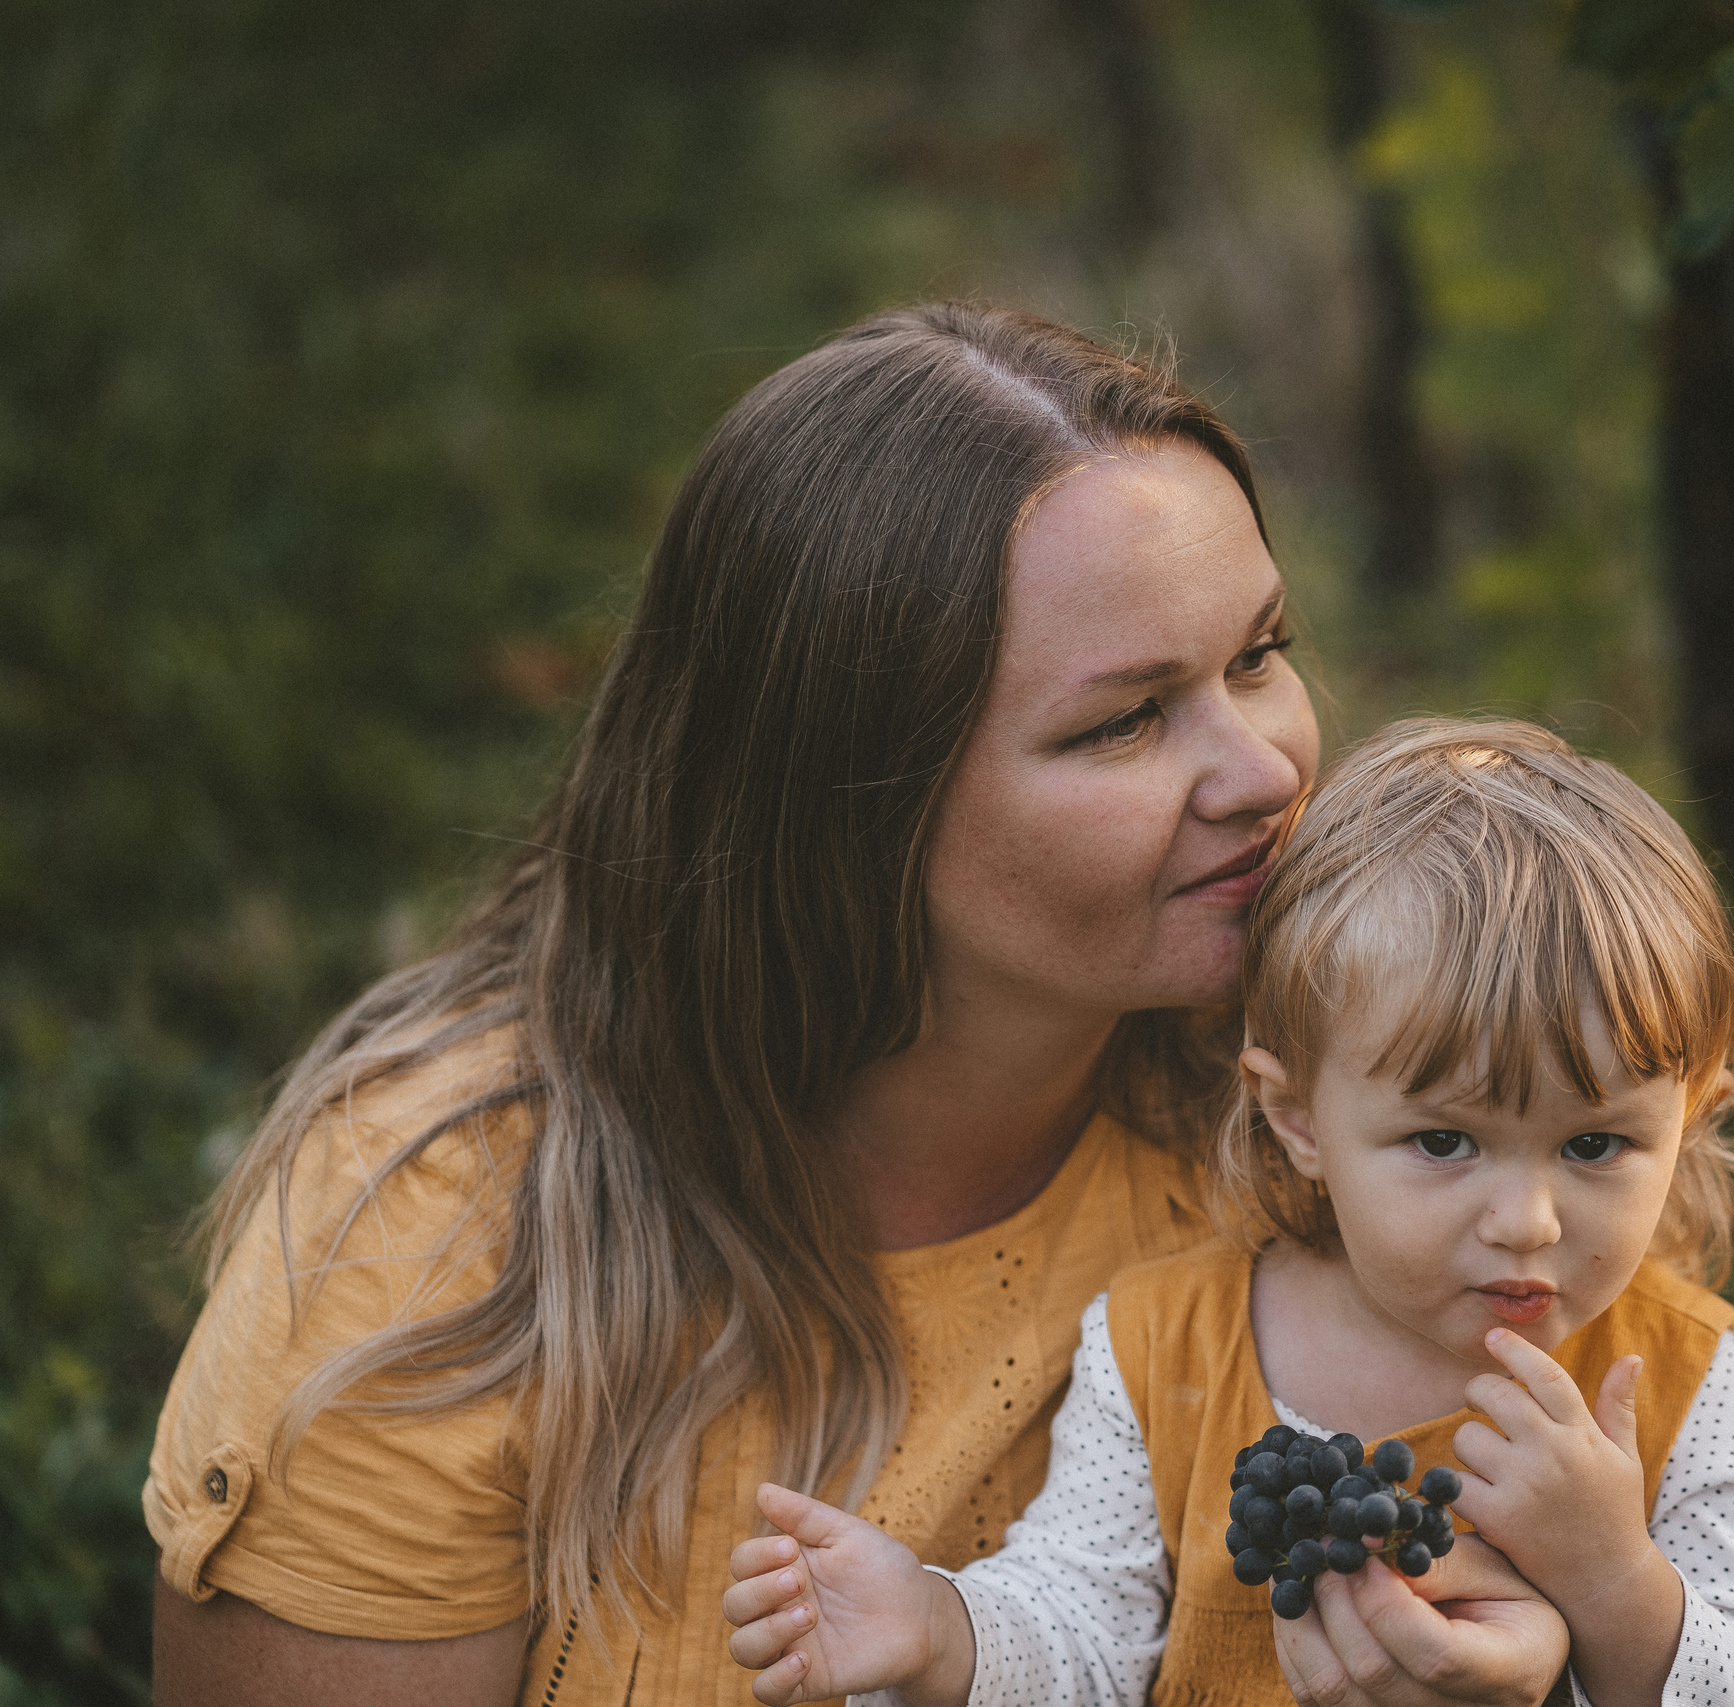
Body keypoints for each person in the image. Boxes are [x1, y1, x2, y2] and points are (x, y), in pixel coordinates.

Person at [144, 306, 1576, 1707]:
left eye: (1258, 654)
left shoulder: (1378, 1120)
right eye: (1124, 720)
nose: (1265, 766)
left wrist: (1581, 1659)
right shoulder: (442, 1240)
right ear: (846, 800)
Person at [722, 718, 1734, 1707]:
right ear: (1297, 1116)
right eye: (1443, 1141)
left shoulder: (1677, 1382)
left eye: (1595, 1144)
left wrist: (1613, 1585)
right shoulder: (1165, 1348)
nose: (1527, 1220)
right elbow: (1088, 1637)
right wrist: (934, 1630)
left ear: (1688, 1118)